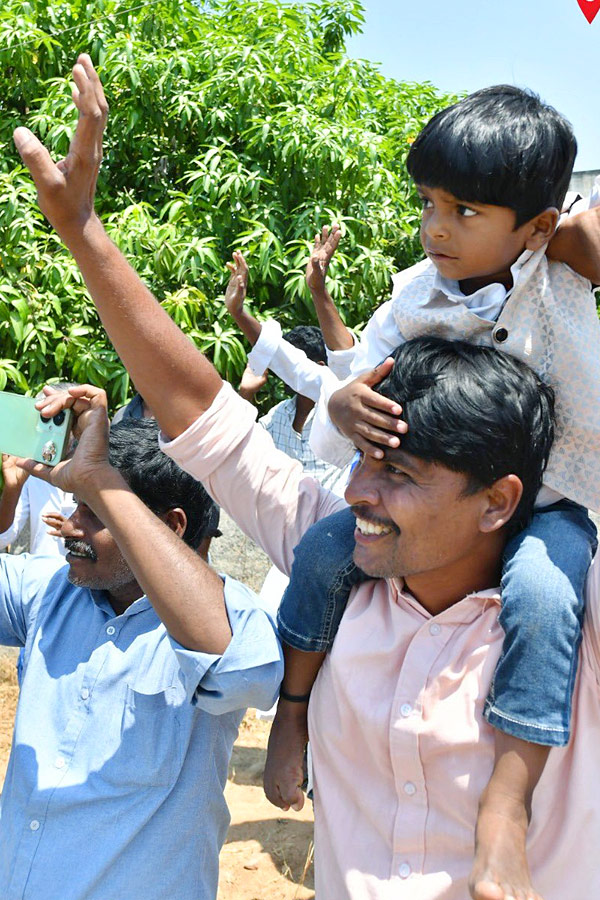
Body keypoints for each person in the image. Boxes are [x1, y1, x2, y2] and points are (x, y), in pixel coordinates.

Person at [12, 55, 600, 900]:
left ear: (498, 500)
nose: (355, 490)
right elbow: (204, 412)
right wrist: (82, 232)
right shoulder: (350, 556)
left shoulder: (574, 608)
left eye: (398, 471)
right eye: (364, 460)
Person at [259, 85, 600, 898]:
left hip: (548, 502)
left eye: (466, 210)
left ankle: (505, 809)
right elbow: (354, 383)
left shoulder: (563, 273)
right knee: (319, 550)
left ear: (536, 225)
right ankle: (294, 705)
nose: (437, 228)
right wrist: (341, 404)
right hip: (438, 510)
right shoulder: (414, 294)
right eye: (428, 203)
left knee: (549, 602)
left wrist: (574, 235)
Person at [0, 387, 282, 900]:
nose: (71, 528)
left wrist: (101, 478)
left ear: (170, 528)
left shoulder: (230, 618)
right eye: (78, 504)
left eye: (97, 513)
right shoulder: (51, 589)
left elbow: (247, 673)